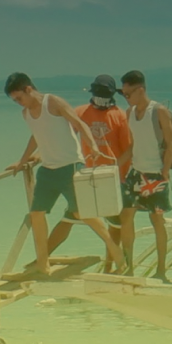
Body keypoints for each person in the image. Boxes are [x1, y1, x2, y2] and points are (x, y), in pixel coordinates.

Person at [0, 72, 117, 279]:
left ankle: (116, 251)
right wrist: (22, 160)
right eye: (15, 100)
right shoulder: (26, 114)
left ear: (29, 89)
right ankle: (42, 264)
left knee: (84, 213)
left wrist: (92, 145)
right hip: (48, 169)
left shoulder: (52, 102)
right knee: (37, 214)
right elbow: (36, 136)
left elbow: (79, 124)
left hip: (71, 165)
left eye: (19, 98)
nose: (18, 103)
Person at [44, 75, 132, 272]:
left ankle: (109, 266)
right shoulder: (81, 112)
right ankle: (41, 258)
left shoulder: (120, 115)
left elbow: (128, 149)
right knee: (69, 217)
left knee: (114, 225)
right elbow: (63, 137)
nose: (100, 97)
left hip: (112, 178)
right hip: (85, 176)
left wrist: (117, 170)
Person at [120, 70, 172, 281]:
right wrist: (115, 165)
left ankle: (161, 271)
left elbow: (170, 144)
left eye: (128, 94)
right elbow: (133, 145)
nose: (126, 98)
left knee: (157, 221)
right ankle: (129, 268)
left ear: (140, 90)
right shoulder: (129, 113)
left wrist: (165, 172)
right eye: (123, 94)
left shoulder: (159, 111)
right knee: (126, 217)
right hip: (135, 172)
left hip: (156, 175)